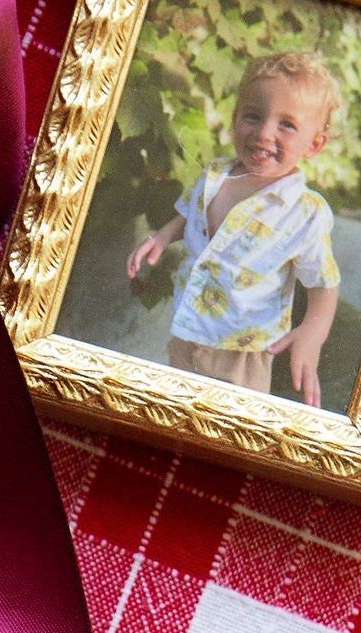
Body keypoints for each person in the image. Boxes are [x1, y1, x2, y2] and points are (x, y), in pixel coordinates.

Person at [128, 51, 343, 400]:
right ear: (234, 118)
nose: (263, 133)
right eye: (253, 116)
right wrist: (163, 236)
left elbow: (324, 283)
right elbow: (191, 214)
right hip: (189, 327)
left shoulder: (303, 212)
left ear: (315, 143)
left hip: (243, 351)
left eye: (286, 124)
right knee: (174, 405)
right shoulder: (215, 176)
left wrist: (312, 334)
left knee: (225, 423)